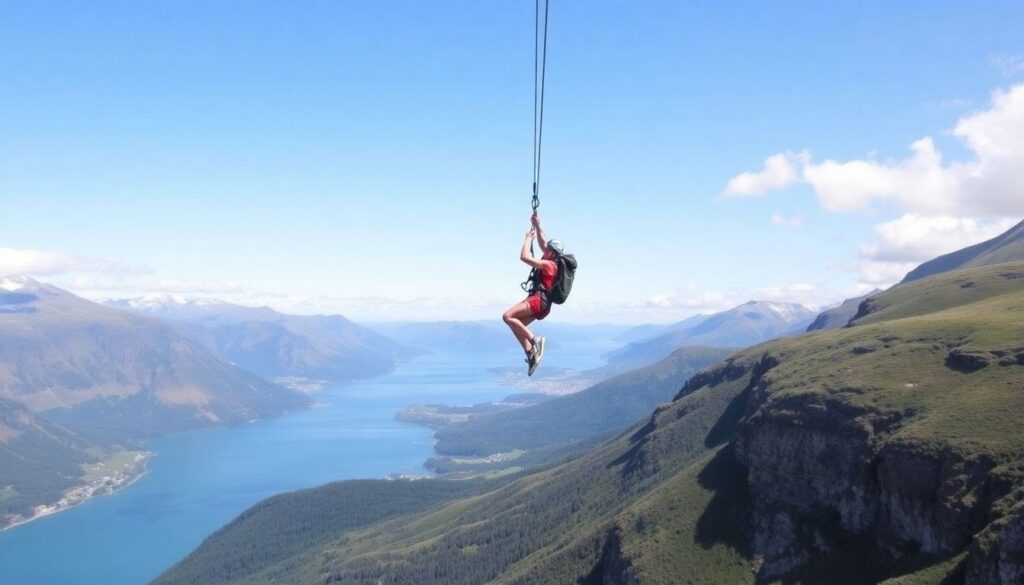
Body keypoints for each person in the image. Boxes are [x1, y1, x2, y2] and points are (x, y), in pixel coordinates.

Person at [502, 213, 564, 376]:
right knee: (516, 326)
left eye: (548, 249)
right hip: (544, 305)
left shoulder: (548, 264)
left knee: (507, 317)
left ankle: (535, 340)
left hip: (538, 299)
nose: (545, 249)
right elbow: (543, 242)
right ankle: (531, 353)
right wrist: (538, 225)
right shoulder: (554, 262)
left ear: (552, 253)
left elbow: (524, 257)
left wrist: (528, 238)